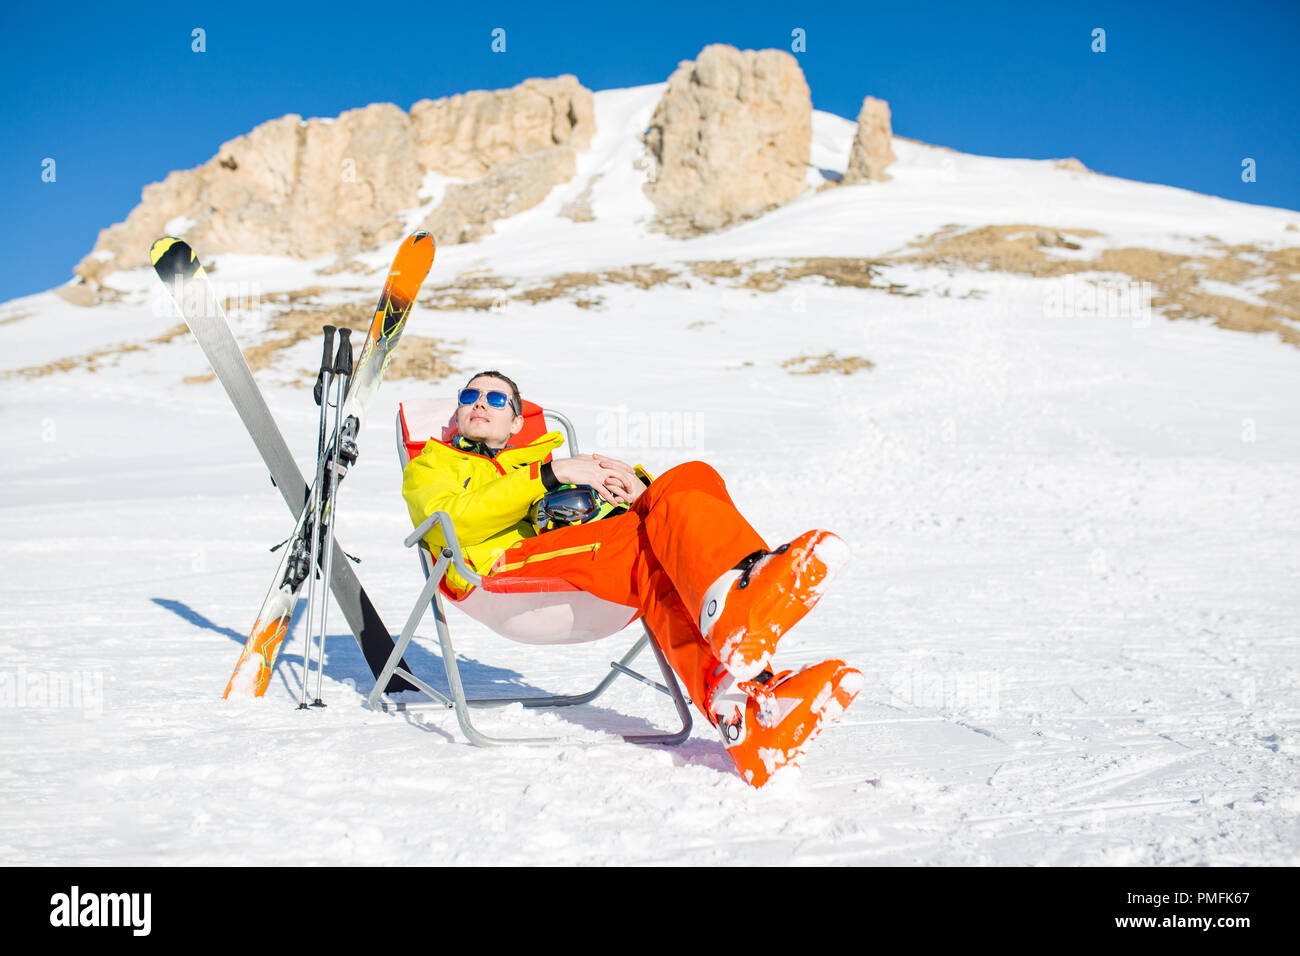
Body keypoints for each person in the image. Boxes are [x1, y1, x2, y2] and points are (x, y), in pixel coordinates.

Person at [401, 370, 863, 787]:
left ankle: (744, 713)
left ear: (518, 423)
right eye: (470, 395)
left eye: (496, 399)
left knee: (690, 481)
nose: (480, 403)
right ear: (458, 411)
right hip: (497, 570)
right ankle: (739, 598)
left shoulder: (551, 464)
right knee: (646, 539)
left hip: (588, 563)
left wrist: (642, 492)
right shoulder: (434, 465)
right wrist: (550, 475)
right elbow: (450, 521)